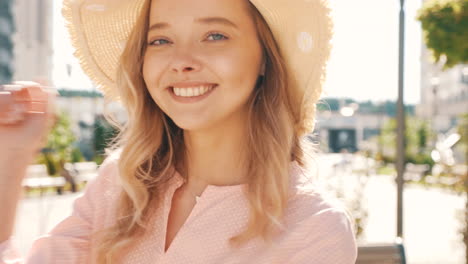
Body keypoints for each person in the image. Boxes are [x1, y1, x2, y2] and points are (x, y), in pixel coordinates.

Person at [0, 0, 357, 263]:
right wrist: (11, 156)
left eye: (215, 35)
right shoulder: (121, 183)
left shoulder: (313, 227)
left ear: (265, 56)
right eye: (160, 41)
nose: (182, 60)